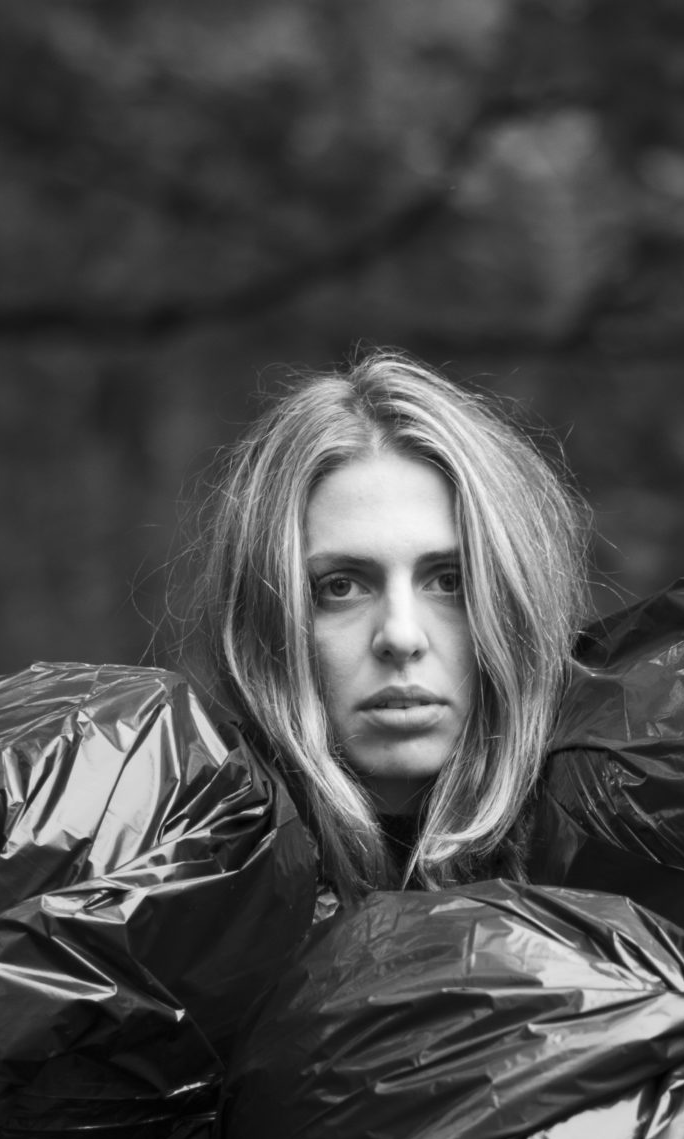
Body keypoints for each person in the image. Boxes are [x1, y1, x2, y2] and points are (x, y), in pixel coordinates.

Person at [185, 348, 592, 894]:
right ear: (265, 623)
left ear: (519, 602)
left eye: (451, 581)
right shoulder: (172, 885)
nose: (400, 637)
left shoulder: (642, 855)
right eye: (341, 587)